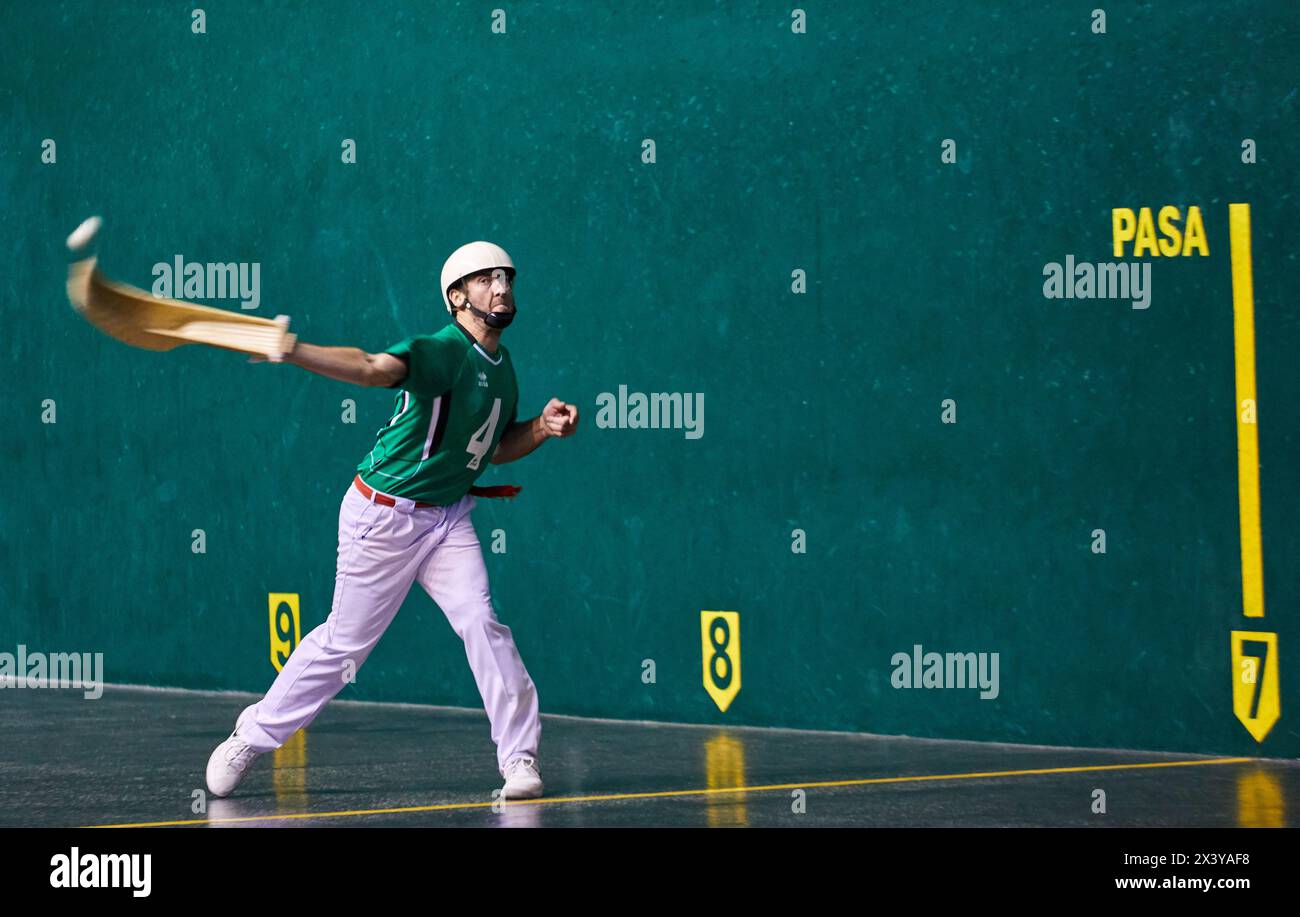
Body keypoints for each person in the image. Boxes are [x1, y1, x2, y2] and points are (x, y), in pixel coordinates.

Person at [204, 240, 578, 801]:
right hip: (382, 518)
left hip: (448, 517)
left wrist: (543, 430)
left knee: (482, 622)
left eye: (506, 278)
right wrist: (293, 349)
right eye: (485, 280)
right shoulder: (443, 350)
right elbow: (373, 368)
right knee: (344, 646)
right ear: (457, 297)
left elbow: (492, 447)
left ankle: (520, 759)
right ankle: (250, 736)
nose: (501, 287)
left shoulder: (503, 370)